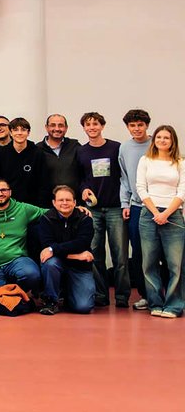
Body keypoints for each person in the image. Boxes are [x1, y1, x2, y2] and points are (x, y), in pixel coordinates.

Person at [76, 111, 129, 308]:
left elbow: (124, 176)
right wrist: (83, 190)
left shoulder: (116, 148)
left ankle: (122, 297)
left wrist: (126, 202)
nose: (92, 127)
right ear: (83, 128)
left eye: (95, 124)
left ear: (102, 126)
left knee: (120, 255)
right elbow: (80, 179)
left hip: (115, 207)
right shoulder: (81, 152)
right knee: (95, 253)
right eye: (88, 124)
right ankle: (100, 295)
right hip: (93, 210)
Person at [0, 178, 48, 311]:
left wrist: (76, 209)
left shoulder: (23, 209)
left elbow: (49, 212)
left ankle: (12, 292)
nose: (0, 193)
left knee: (32, 274)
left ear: (10, 192)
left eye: (4, 190)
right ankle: (16, 296)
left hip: (17, 260)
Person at [136, 124, 185, 318]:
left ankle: (174, 306)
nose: (162, 140)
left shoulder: (180, 162)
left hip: (173, 215)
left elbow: (182, 191)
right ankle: (155, 303)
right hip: (149, 215)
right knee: (149, 262)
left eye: (166, 138)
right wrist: (156, 212)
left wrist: (166, 214)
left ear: (172, 141)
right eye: (159, 137)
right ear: (153, 140)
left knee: (176, 264)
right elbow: (141, 188)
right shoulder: (145, 160)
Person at [36, 185, 95, 315]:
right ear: (54, 202)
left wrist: (54, 249)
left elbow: (82, 243)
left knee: (83, 307)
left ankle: (68, 294)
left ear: (75, 202)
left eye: (68, 200)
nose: (64, 203)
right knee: (50, 263)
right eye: (61, 200)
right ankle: (51, 301)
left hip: (80, 267)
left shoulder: (85, 219)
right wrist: (78, 256)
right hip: (59, 264)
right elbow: (47, 246)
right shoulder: (46, 219)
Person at [119, 108, 152, 310]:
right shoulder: (124, 148)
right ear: (128, 127)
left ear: (147, 125)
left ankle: (168, 295)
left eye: (140, 125)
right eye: (133, 125)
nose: (137, 129)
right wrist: (125, 203)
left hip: (159, 207)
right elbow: (124, 178)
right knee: (139, 253)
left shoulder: (156, 143)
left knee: (163, 255)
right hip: (137, 207)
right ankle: (146, 295)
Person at [0, 117, 42, 205]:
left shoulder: (38, 153)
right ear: (10, 132)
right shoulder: (1, 153)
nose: (19, 133)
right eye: (15, 130)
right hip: (8, 203)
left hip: (32, 204)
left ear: (28, 133)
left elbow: (42, 182)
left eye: (23, 130)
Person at [37, 114, 82, 206]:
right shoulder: (37, 149)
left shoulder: (75, 146)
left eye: (60, 125)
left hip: (73, 203)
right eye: (53, 125)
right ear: (46, 127)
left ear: (66, 128)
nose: (57, 129)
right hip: (47, 204)